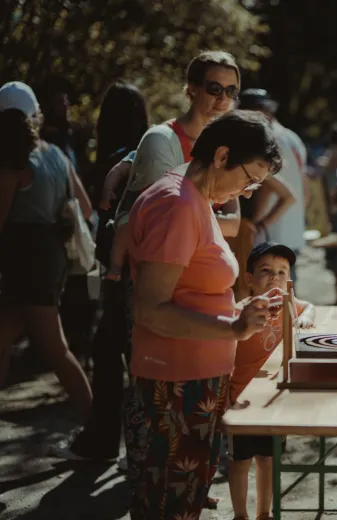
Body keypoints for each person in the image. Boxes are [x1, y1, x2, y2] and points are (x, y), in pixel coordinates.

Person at [123, 110, 284, 520]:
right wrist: (231, 326)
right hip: (174, 385)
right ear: (221, 155)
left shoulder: (195, 197)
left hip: (196, 380)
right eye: (249, 179)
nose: (248, 193)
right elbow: (150, 308)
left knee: (185, 505)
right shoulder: (175, 204)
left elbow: (191, 291)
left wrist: (238, 310)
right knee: (167, 507)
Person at [53, 81, 150, 462]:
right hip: (140, 267)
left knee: (111, 352)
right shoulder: (148, 155)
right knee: (125, 353)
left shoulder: (118, 160)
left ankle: (106, 442)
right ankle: (122, 443)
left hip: (118, 270)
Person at [0, 82, 93, 417]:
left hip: (27, 261)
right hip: (51, 256)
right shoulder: (54, 153)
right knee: (2, 337)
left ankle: (97, 427)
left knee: (54, 348)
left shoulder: (15, 161)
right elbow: (84, 208)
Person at [111, 50, 244, 278]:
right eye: (215, 89)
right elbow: (164, 218)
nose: (223, 99)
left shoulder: (225, 147)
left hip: (197, 270)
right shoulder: (162, 139)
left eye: (231, 91)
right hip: (150, 270)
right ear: (192, 88)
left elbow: (234, 224)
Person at [227, 242, 315, 520]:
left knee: (268, 460)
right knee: (239, 462)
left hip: (275, 402)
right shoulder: (240, 311)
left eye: (282, 271)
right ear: (249, 279)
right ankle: (240, 515)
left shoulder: (292, 307)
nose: (275, 277)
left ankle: (264, 513)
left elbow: (309, 306)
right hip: (242, 401)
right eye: (266, 271)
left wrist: (306, 319)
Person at [240, 89, 307, 280]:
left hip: (269, 233)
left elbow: (267, 186)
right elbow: (305, 187)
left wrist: (258, 226)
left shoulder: (266, 138)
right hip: (292, 229)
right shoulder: (293, 138)